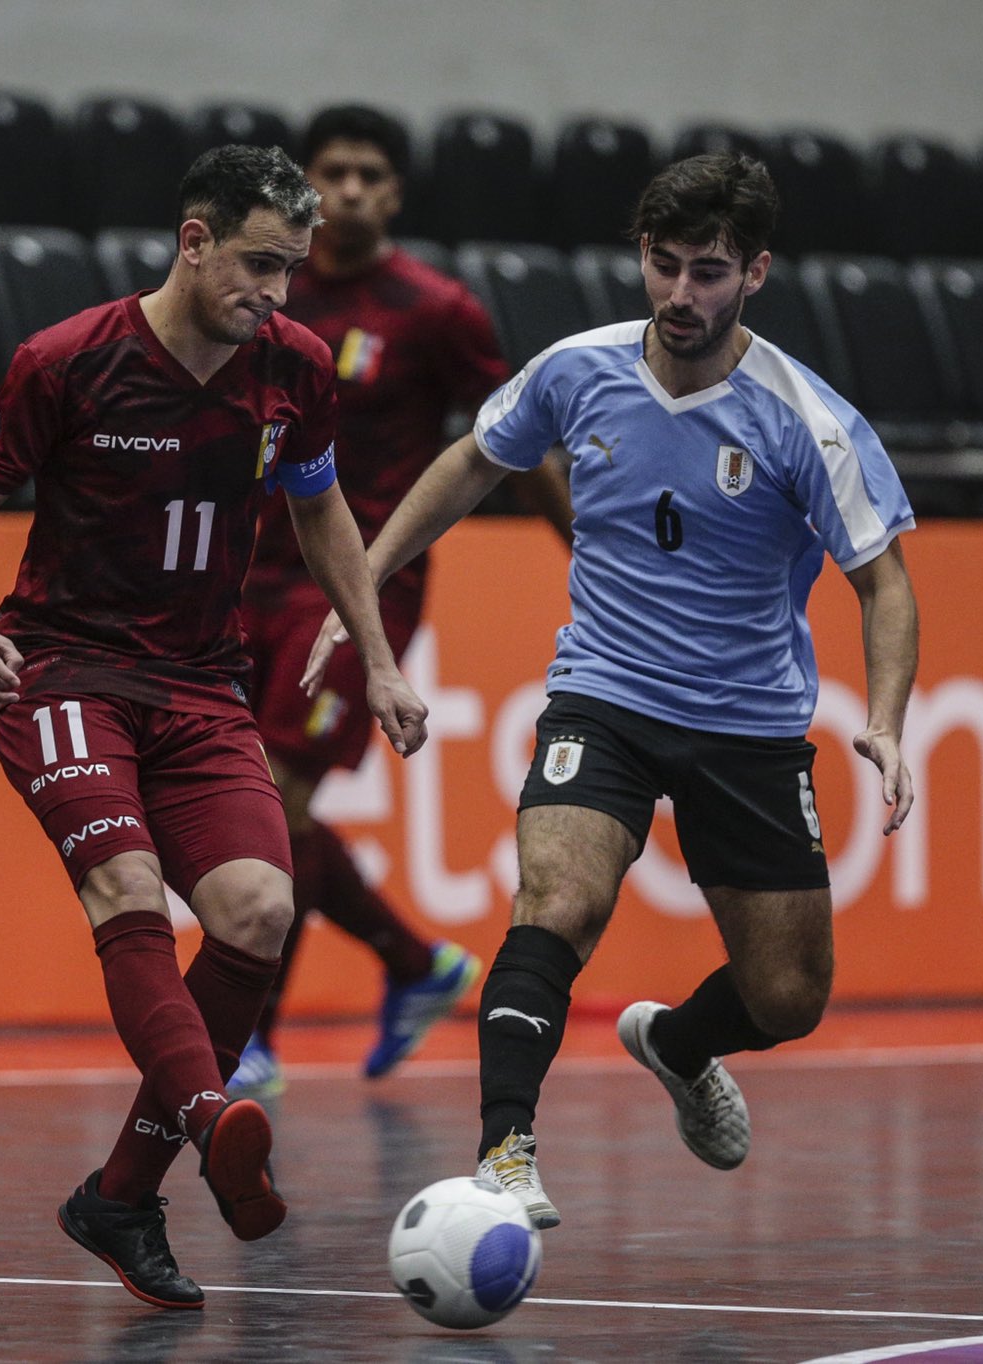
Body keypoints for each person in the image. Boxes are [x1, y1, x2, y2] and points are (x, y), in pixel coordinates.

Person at [304, 153, 920, 1229]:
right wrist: (365, 592)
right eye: (664, 265)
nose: (682, 295)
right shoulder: (574, 370)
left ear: (756, 273)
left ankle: (676, 1043)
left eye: (710, 272)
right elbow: (468, 462)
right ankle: (503, 1154)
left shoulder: (804, 419)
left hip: (747, 724)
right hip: (605, 695)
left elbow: (883, 580)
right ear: (640, 256)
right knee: (555, 901)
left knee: (786, 997)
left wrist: (880, 720)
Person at [0, 144, 429, 1309]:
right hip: (62, 671)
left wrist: (382, 657)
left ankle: (118, 1193)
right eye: (260, 263)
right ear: (192, 241)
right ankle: (211, 1120)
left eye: (294, 270)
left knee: (259, 908)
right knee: (128, 890)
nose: (278, 292)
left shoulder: (295, 367)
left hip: (202, 681)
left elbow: (322, 511)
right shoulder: (67, 360)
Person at [231, 104, 569, 1099]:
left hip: (357, 588)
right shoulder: (265, 293)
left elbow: (516, 437)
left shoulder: (435, 309)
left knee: (274, 797)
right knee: (240, 803)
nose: (348, 188)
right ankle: (416, 961)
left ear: (394, 192)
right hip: (243, 575)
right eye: (330, 169)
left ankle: (253, 1036)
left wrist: (589, 553)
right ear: (303, 181)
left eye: (369, 173)